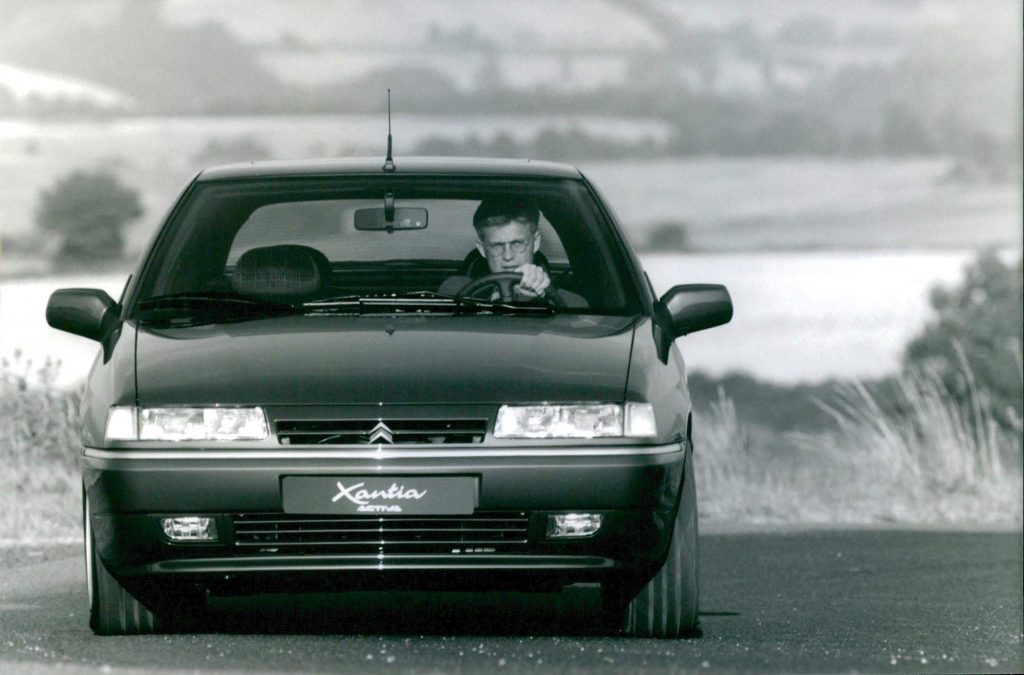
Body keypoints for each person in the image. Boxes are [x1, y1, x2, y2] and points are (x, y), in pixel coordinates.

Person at [438, 198, 586, 307]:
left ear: (536, 242)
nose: (508, 256)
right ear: (482, 249)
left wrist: (534, 298)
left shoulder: (572, 302)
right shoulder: (454, 291)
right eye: (497, 245)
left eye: (517, 243)